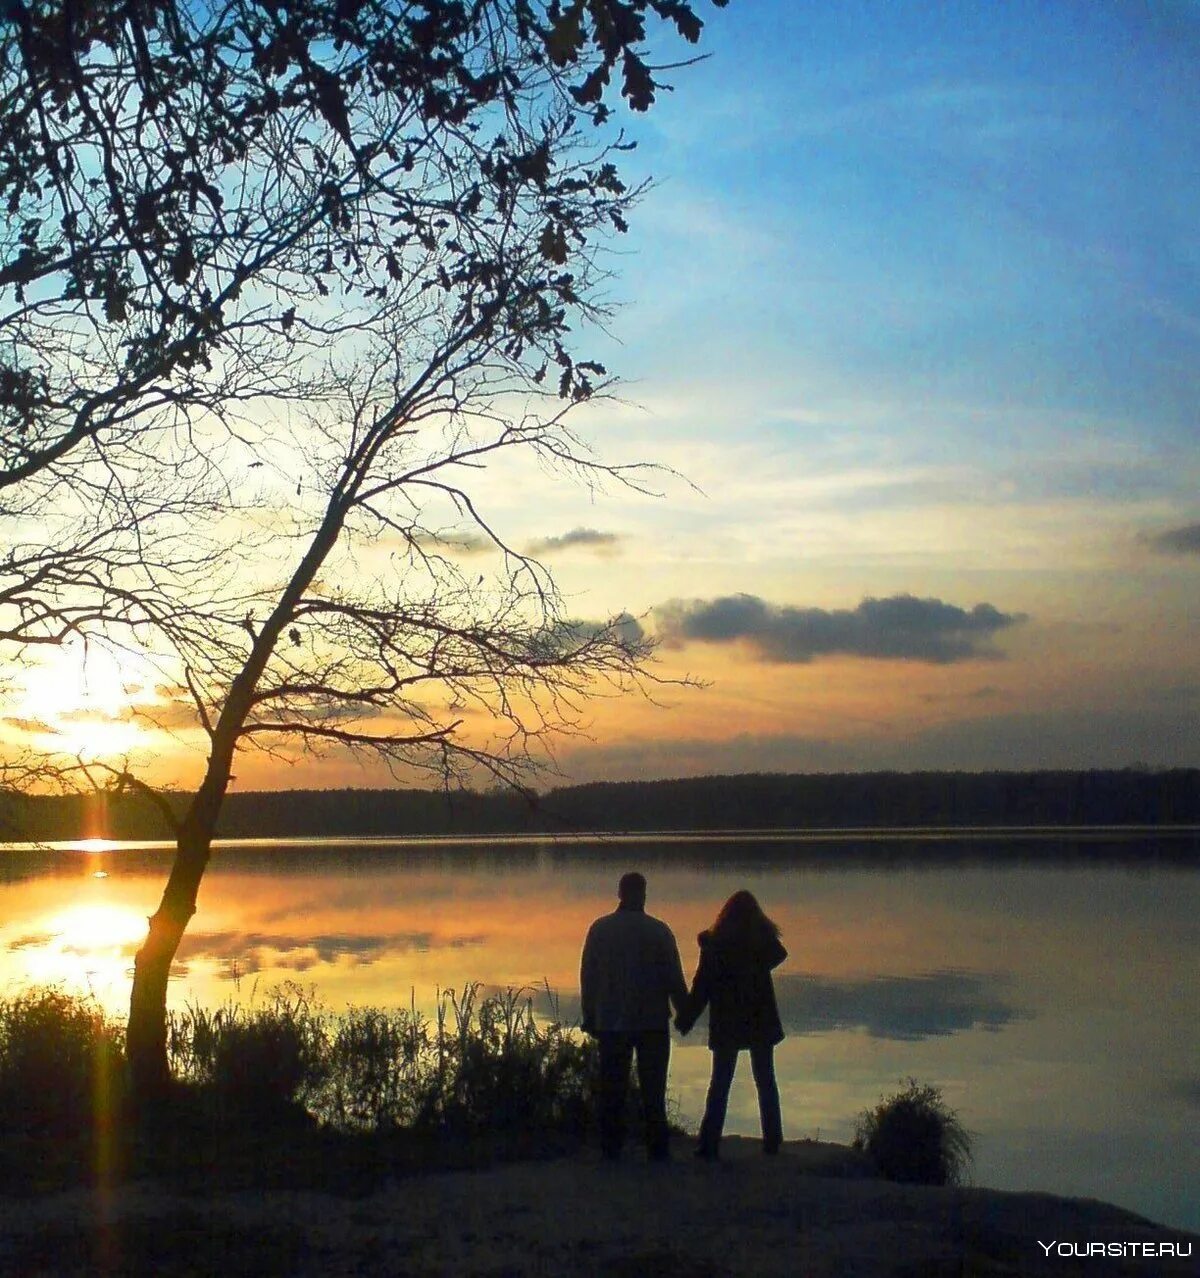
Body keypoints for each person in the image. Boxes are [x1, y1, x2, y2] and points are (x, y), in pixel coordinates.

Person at [579, 871, 689, 1161]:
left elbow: (588, 976)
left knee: (612, 1088)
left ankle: (611, 1148)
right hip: (652, 1021)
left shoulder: (600, 930)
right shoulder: (659, 931)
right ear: (643, 894)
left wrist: (589, 1014)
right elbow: (673, 977)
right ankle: (657, 1148)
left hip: (611, 1020)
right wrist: (685, 1012)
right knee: (654, 1090)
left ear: (620, 894)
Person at [675, 889, 786, 1159]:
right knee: (766, 1080)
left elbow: (702, 987)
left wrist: (685, 1018)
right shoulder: (762, 945)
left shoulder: (716, 946)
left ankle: (709, 1144)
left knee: (721, 1082)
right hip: (760, 1020)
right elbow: (778, 953)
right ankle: (772, 1142)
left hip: (728, 1021)